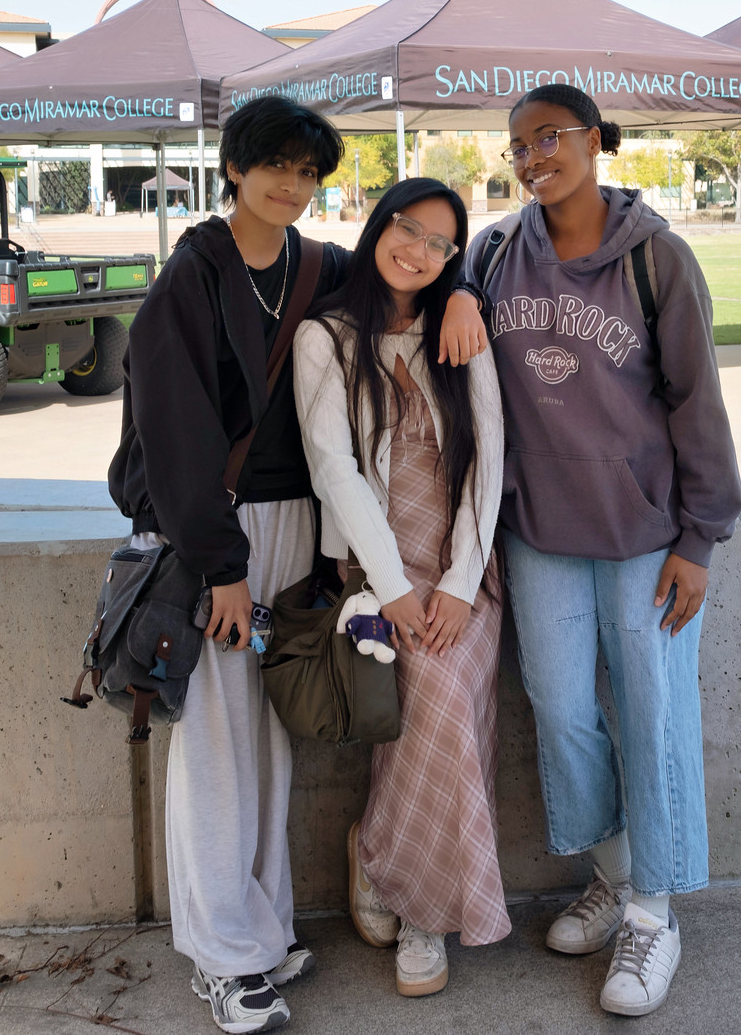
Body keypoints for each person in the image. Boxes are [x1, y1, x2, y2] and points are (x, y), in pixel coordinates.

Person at [107, 97, 485, 1034]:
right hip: (214, 538)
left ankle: (262, 934)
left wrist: (467, 286)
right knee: (215, 746)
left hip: (296, 532)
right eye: (273, 164)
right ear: (233, 167)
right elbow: (176, 435)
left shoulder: (319, 267)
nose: (290, 184)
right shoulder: (189, 278)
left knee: (270, 739)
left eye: (308, 173)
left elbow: (418, 257)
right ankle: (222, 958)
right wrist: (221, 564)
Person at [459, 84, 741, 1018]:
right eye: (518, 145)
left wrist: (699, 538)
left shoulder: (655, 257)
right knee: (561, 709)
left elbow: (699, 405)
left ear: (594, 142)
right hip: (539, 531)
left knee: (654, 715)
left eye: (550, 137)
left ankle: (656, 914)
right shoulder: (496, 254)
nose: (533, 156)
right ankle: (617, 875)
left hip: (645, 535)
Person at [292, 178, 509, 998]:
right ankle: (409, 889)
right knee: (427, 689)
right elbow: (334, 470)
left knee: (449, 690)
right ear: (378, 225)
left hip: (465, 570)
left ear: (455, 256)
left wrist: (455, 586)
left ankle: (398, 877)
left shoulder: (461, 328)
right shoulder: (331, 335)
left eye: (441, 244)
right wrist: (391, 588)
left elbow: (489, 456)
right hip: (373, 574)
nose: (418, 252)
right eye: (406, 230)